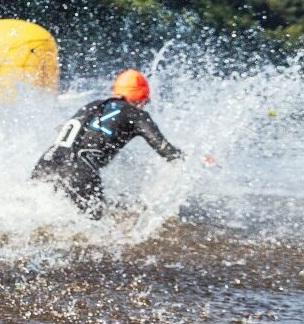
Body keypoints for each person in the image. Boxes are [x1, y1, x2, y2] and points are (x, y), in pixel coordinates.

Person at [32, 69, 195, 218]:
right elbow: (166, 151)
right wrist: (194, 159)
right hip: (78, 170)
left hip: (46, 162)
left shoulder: (92, 105)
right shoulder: (137, 115)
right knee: (95, 227)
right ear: (142, 98)